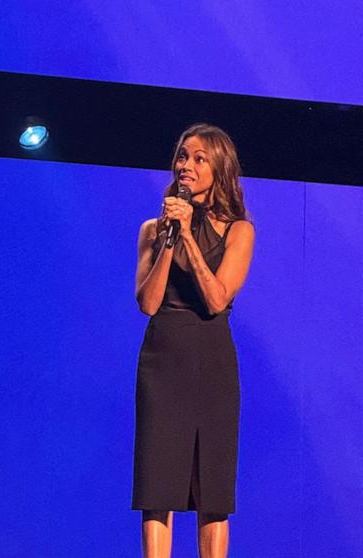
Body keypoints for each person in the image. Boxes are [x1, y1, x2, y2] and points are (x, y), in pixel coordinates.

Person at [132, 124, 255, 557]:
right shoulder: (152, 229)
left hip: (211, 363)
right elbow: (147, 302)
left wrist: (188, 235)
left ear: (218, 168)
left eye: (199, 158)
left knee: (213, 492)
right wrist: (169, 237)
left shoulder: (239, 231)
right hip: (163, 361)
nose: (186, 165)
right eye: (183, 156)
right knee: (157, 487)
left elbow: (218, 298)